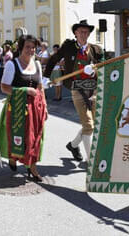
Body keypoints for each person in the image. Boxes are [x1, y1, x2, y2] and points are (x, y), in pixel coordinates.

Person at [44, 19, 103, 162]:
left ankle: (73, 145)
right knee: (88, 125)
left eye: (86, 32)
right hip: (77, 88)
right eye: (81, 31)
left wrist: (95, 69)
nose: (84, 34)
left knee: (93, 124)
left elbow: (104, 66)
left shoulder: (96, 49)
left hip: (93, 89)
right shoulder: (69, 46)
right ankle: (92, 160)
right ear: (75, 33)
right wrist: (46, 77)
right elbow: (53, 59)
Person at [0, 34, 47, 181]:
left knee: (35, 137)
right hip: (17, 106)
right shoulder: (12, 64)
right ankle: (13, 157)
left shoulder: (36, 64)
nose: (31, 50)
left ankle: (32, 166)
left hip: (35, 107)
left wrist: (45, 106)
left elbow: (40, 87)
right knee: (18, 136)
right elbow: (4, 87)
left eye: (33, 47)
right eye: (27, 47)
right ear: (21, 48)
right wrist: (25, 91)